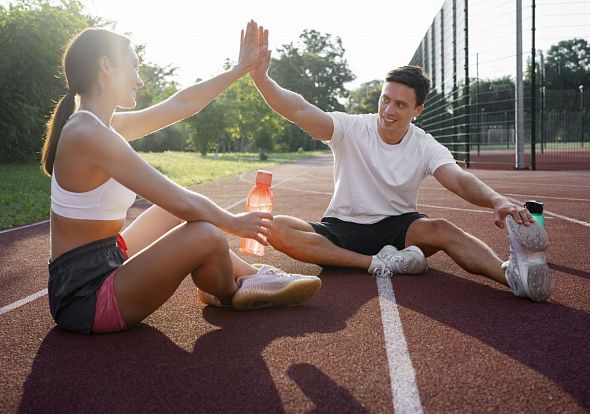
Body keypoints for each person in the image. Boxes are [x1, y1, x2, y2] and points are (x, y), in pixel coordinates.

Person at [41, 21, 321, 336]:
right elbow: (181, 200)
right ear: (105, 66)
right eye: (134, 67)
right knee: (207, 235)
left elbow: (181, 104)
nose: (140, 80)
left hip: (107, 257)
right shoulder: (88, 133)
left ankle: (251, 277)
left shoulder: (104, 126)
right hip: (85, 298)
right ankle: (226, 290)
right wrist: (234, 223)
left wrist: (239, 69)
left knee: (179, 218)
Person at [248, 27, 553, 302]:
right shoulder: (350, 128)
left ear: (418, 109)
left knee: (443, 229)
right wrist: (262, 79)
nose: (388, 110)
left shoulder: (424, 144)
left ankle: (513, 276)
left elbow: (458, 179)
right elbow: (299, 109)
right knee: (273, 227)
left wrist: (496, 200)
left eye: (400, 104)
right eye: (385, 100)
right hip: (341, 229)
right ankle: (378, 264)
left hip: (399, 228)